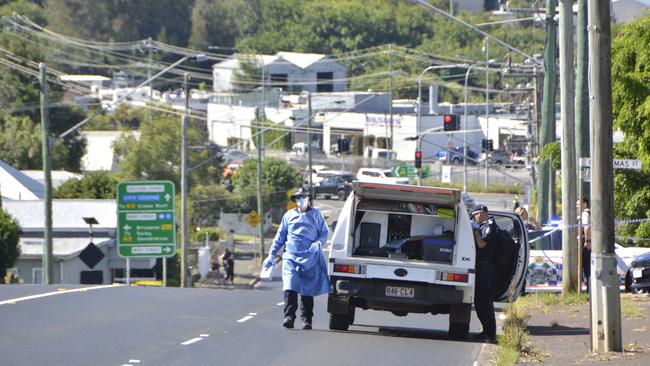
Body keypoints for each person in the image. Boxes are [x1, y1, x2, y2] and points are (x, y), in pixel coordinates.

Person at [263, 187, 329, 330]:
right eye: (298, 198)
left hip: (309, 258)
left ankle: (306, 319)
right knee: (289, 285)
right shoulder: (288, 216)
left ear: (308, 199)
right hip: (291, 257)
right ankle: (289, 316)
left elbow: (324, 233)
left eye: (303, 197)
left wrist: (318, 243)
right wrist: (271, 254)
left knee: (307, 289)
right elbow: (280, 237)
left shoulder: (316, 215)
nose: (301, 201)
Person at [470, 204, 498, 343]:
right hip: (482, 267)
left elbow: (481, 244)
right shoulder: (485, 225)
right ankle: (487, 331)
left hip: (485, 267)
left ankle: (490, 333)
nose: (474, 218)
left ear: (480, 213)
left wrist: (475, 231)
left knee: (484, 301)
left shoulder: (489, 225)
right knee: (480, 301)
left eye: (475, 215)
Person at [577, 198, 591, 289]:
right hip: (588, 242)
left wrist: (587, 241)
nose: (577, 206)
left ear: (585, 204)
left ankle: (585, 288)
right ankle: (589, 288)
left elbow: (586, 228)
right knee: (587, 266)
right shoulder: (590, 213)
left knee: (582, 265)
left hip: (584, 243)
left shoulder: (585, 213)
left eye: (578, 204)